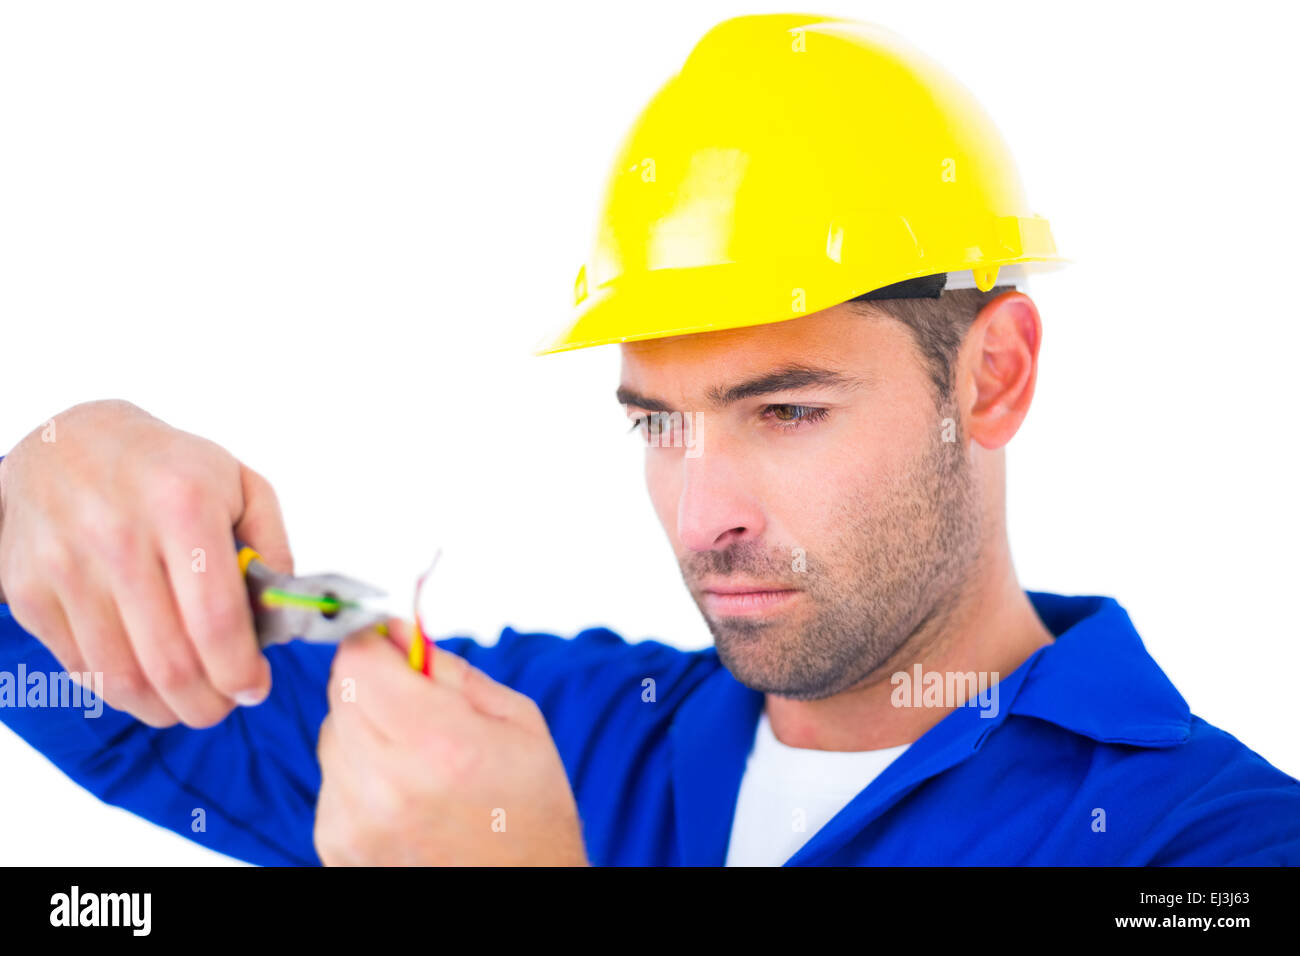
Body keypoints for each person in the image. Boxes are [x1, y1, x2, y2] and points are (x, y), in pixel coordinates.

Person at [1, 14, 1296, 866]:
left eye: (785, 410)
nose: (700, 518)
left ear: (995, 377)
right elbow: (116, 700)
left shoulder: (1209, 849)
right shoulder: (550, 733)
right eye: (658, 426)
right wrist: (47, 489)